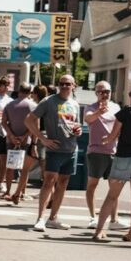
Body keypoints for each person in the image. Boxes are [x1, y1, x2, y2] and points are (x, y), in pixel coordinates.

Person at [93, 84, 131, 242]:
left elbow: (113, 135)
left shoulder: (125, 113)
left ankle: (99, 231)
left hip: (124, 158)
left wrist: (106, 139)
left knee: (112, 196)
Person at [26, 74, 81, 232]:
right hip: (54, 149)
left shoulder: (74, 104)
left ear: (73, 86)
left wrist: (77, 131)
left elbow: (75, 125)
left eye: (67, 84)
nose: (64, 86)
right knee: (49, 182)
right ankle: (40, 218)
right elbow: (29, 120)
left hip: (71, 149)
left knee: (63, 184)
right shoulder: (48, 101)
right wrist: (43, 139)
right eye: (61, 84)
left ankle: (53, 218)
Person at [82, 80, 124, 229]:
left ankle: (114, 220)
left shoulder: (116, 107)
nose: (105, 94)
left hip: (113, 152)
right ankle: (92, 217)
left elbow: (120, 126)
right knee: (92, 185)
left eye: (107, 91)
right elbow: (88, 119)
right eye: (101, 92)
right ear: (96, 93)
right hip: (96, 152)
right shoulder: (90, 108)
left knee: (114, 187)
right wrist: (99, 111)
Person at [3, 82, 37, 204]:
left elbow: (3, 122)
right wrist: (25, 136)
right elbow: (34, 125)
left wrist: (11, 135)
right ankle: (21, 191)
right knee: (25, 169)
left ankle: (8, 190)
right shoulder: (33, 106)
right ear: (29, 92)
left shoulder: (9, 104)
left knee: (10, 166)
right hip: (26, 140)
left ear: (19, 91)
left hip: (11, 139)